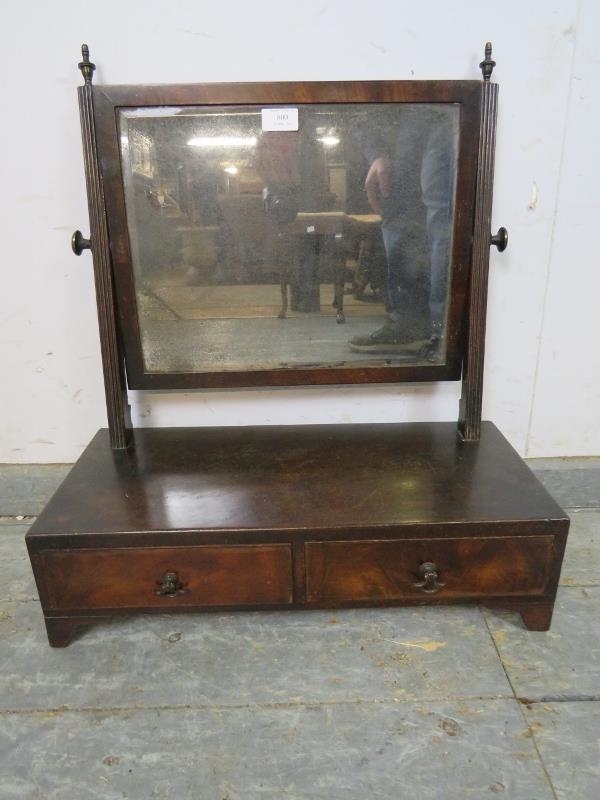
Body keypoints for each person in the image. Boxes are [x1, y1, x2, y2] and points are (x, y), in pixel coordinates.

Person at [349, 106, 456, 356]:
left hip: (440, 109)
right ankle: (419, 326)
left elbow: (361, 106)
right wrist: (376, 152)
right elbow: (360, 106)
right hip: (412, 118)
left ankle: (438, 331)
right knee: (407, 209)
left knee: (442, 212)